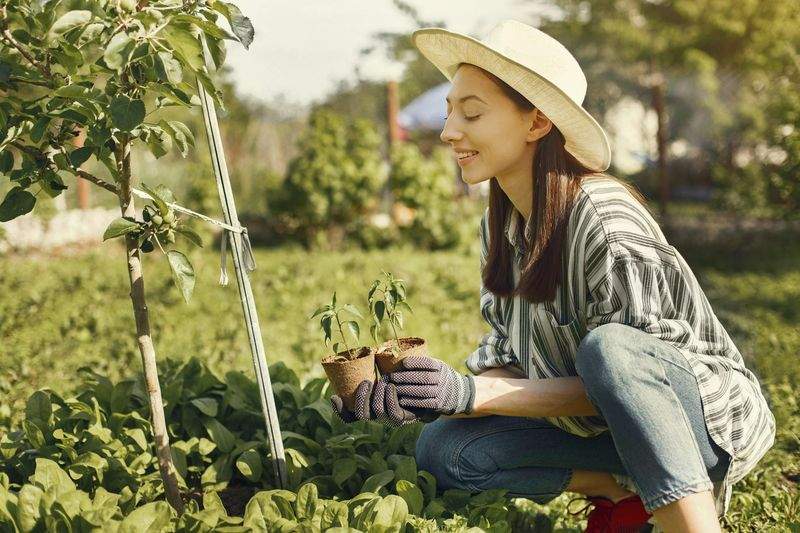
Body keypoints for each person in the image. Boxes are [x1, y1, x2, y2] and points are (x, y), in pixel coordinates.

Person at [330, 20, 776, 533]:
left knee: (610, 349)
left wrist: (473, 395)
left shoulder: (604, 221)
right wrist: (425, 394)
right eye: (450, 111)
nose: (450, 130)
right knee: (445, 447)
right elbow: (513, 364)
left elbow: (635, 381)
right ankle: (623, 495)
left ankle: (694, 522)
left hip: (703, 430)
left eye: (472, 113)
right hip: (606, 426)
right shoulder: (504, 223)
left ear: (537, 123)